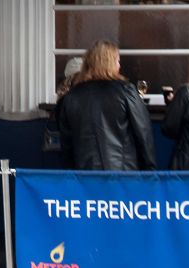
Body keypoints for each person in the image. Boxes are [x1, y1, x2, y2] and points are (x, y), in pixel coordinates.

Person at [55, 41, 156, 171]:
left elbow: (67, 146)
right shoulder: (126, 91)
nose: (119, 66)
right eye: (118, 61)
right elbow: (143, 134)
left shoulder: (71, 97)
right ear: (111, 63)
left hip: (85, 176)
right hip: (123, 175)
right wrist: (150, 171)